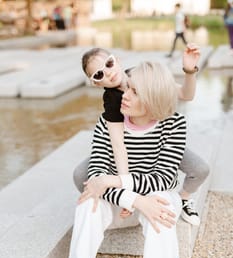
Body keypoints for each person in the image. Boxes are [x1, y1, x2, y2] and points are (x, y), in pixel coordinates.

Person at [54, 60, 187, 258]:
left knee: (162, 205)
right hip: (123, 203)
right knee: (88, 203)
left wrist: (118, 183)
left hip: (151, 196)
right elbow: (96, 176)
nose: (125, 94)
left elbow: (163, 177)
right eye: (128, 87)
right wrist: (134, 200)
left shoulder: (174, 123)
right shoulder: (108, 121)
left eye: (135, 92)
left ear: (152, 98)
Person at [73, 45, 209, 226]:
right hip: (127, 143)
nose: (108, 73)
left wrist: (189, 71)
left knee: (200, 169)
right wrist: (128, 193)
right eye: (98, 74)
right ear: (96, 83)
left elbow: (186, 94)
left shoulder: (139, 75)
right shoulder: (112, 101)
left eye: (109, 64)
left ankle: (183, 198)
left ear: (117, 60)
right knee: (81, 174)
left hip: (156, 139)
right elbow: (118, 145)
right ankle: (112, 203)